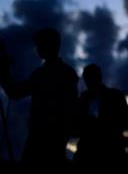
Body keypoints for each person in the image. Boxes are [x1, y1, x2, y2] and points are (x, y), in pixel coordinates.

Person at [0, 27, 78, 163]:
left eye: (40, 45)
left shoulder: (42, 74)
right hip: (57, 136)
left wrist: (4, 72)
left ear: (49, 46)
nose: (37, 49)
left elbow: (15, 93)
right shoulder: (67, 72)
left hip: (42, 136)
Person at [74, 64, 128, 164]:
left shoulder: (115, 96)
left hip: (110, 151)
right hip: (90, 152)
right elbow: (75, 128)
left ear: (99, 77)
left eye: (92, 77)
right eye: (88, 78)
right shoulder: (83, 100)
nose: (90, 81)